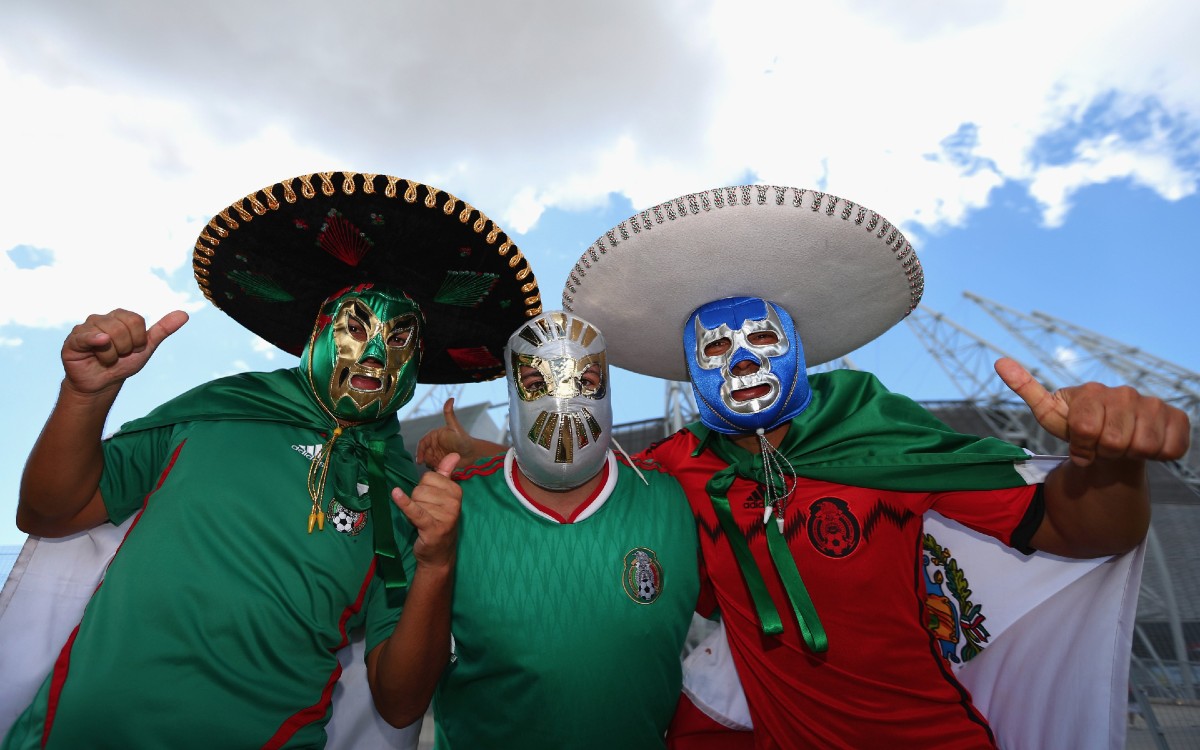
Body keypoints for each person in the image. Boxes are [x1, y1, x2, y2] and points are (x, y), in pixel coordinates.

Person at [552, 184, 1191, 748]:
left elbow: (1085, 532)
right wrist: (484, 456)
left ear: (798, 347)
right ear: (690, 368)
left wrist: (1111, 462)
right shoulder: (675, 467)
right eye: (716, 348)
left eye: (762, 339)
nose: (742, 363)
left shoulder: (879, 437)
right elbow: (571, 483)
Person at [3, 170, 542, 749]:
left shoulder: (410, 501)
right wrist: (87, 396)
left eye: (403, 337)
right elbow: (50, 511)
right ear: (314, 334)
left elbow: (400, 699)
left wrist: (436, 564)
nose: (378, 351)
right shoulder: (215, 412)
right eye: (355, 326)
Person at [402, 310, 701, 749]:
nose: (563, 399)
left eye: (586, 380)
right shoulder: (454, 507)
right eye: (537, 383)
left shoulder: (672, 495)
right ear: (513, 391)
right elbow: (400, 697)